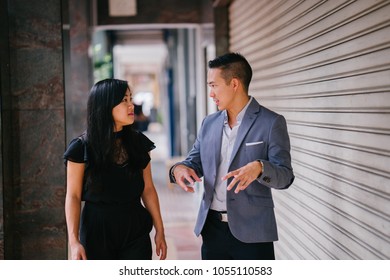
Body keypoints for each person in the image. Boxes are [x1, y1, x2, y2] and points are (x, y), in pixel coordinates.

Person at [169, 52, 294, 260]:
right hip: (212, 230)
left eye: (213, 85)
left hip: (253, 234)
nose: (211, 93)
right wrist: (178, 169)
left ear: (234, 84)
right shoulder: (208, 123)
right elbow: (194, 161)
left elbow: (285, 176)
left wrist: (260, 168)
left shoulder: (271, 122)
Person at [64, 78, 167, 260]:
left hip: (135, 228)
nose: (131, 105)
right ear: (105, 106)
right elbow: (73, 196)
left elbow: (148, 189)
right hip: (97, 230)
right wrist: (74, 241)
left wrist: (160, 229)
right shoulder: (81, 148)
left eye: (131, 98)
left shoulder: (139, 143)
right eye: (124, 100)